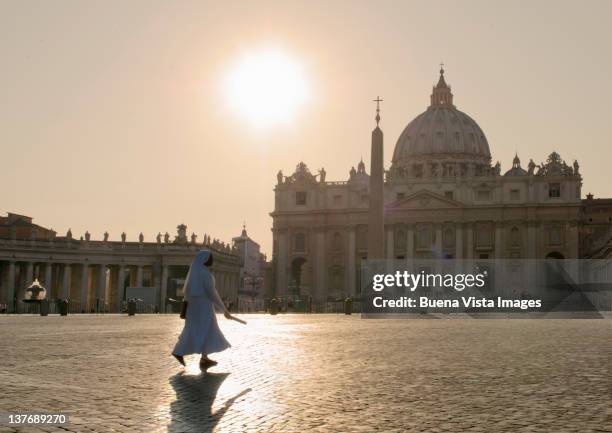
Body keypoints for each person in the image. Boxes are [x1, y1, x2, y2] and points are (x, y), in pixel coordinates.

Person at [172, 250, 232, 369]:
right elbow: (212, 293)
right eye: (211, 259)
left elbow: (188, 294)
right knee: (205, 329)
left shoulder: (194, 274)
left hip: (194, 308)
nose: (212, 261)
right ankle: (178, 351)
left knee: (198, 329)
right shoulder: (206, 274)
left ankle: (204, 358)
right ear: (205, 260)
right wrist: (224, 308)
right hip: (204, 308)